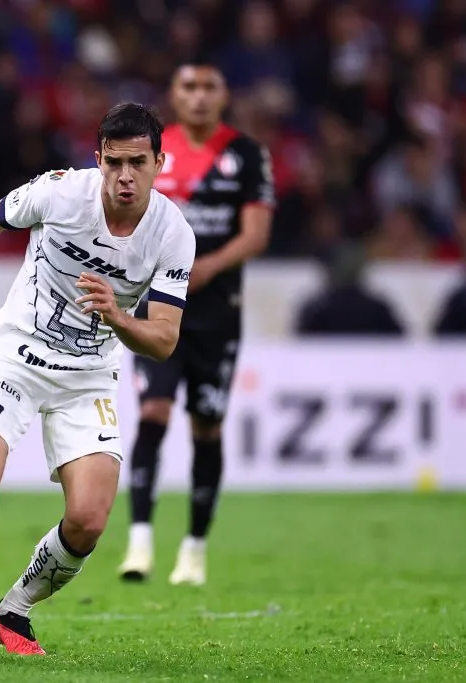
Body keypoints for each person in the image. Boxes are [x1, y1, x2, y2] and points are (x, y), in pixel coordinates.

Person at [0, 103, 196, 654]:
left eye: (138, 163)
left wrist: (117, 316)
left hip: (88, 378)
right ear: (99, 159)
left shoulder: (172, 234)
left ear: (160, 163)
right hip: (17, 354)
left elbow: (164, 340)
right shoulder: (62, 192)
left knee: (88, 521)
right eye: (114, 162)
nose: (125, 176)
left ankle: (14, 609)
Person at [118, 61, 275, 586]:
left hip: (216, 311)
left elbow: (255, 234)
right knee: (153, 412)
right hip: (156, 305)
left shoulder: (246, 154)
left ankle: (194, 548)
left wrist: (206, 266)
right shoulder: (153, 153)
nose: (200, 96)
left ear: (224, 95)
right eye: (189, 86)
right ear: (174, 94)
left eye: (210, 86)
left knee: (206, 425)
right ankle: (139, 542)